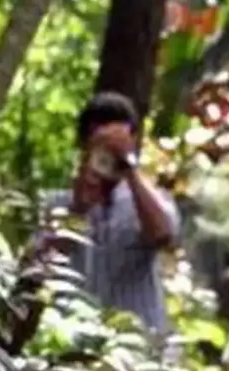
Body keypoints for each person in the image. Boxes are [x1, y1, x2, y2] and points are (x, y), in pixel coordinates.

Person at [45, 91, 181, 335]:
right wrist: (78, 209)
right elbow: (42, 264)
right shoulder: (58, 204)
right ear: (83, 145)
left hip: (139, 345)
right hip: (76, 342)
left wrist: (127, 165)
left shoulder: (150, 201)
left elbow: (163, 235)